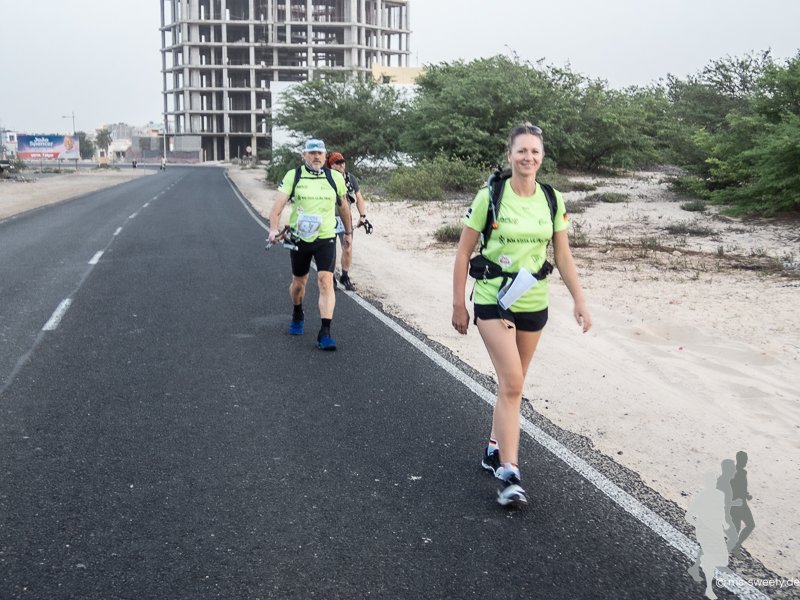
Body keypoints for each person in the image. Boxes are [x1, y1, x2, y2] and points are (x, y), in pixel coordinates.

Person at [451, 123, 592, 507]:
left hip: (533, 300)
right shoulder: (490, 196)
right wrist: (458, 303)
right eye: (521, 151)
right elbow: (463, 252)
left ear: (542, 156)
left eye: (534, 151)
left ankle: (493, 448)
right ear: (509, 154)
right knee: (513, 383)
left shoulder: (552, 198)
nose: (528, 157)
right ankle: (509, 473)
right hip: (492, 298)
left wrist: (579, 300)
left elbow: (562, 254)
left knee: (512, 384)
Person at [268, 139, 352, 351]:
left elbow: (343, 207)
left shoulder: (335, 178)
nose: (316, 156)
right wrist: (273, 229)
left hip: (326, 237)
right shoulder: (294, 176)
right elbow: (277, 206)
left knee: (325, 281)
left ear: (325, 156)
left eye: (320, 153)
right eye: (312, 153)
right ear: (304, 155)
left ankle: (325, 332)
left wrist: (348, 233)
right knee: (299, 283)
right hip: (300, 238)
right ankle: (298, 312)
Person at [326, 151, 368, 291]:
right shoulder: (325, 178)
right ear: (331, 165)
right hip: (329, 219)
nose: (341, 165)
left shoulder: (350, 178)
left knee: (348, 247)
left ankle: (344, 275)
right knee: (330, 250)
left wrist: (362, 215)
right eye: (337, 163)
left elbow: (359, 197)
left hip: (345, 219)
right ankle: (331, 277)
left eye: (342, 162)